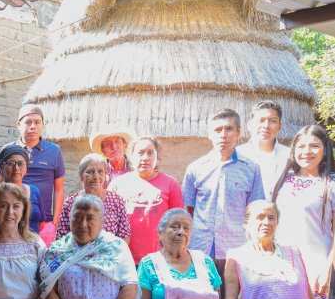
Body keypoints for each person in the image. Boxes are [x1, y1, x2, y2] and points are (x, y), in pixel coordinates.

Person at [182, 109, 264, 271]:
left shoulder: (251, 169)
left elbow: (255, 211)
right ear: (210, 134)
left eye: (229, 129)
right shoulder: (195, 168)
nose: (223, 135)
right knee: (202, 295)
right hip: (201, 248)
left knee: (232, 296)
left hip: (236, 248)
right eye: (217, 130)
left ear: (238, 132)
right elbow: (188, 209)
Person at [272, 125, 335, 299]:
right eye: (301, 146)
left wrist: (329, 270)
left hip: (316, 263)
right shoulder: (283, 180)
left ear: (325, 149)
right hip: (281, 260)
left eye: (315, 146)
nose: (307, 152)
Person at [108, 138, 182, 263]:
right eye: (140, 152)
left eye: (150, 153)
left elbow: (178, 223)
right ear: (130, 156)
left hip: (160, 259)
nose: (145, 157)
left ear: (157, 157)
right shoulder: (117, 185)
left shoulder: (171, 184)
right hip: (124, 260)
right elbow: (108, 224)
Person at [15, 104, 65, 243]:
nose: (33, 126)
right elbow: (2, 185)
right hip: (13, 221)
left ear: (43, 125)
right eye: (28, 122)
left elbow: (59, 189)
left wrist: (54, 224)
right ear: (19, 124)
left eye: (37, 122)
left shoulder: (54, 151)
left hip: (44, 223)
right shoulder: (10, 151)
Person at [56, 154, 130, 242]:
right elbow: (61, 236)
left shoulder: (116, 201)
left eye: (100, 171)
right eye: (90, 172)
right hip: (76, 254)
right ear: (81, 176)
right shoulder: (71, 202)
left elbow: (124, 235)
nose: (96, 176)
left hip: (109, 254)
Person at [0, 144, 44, 233]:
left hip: (32, 244)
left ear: (26, 168)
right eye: (10, 163)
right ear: (1, 167)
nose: (16, 168)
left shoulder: (34, 191)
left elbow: (41, 223)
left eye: (21, 164)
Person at [236, 101, 290, 199]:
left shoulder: (290, 156)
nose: (266, 126)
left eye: (272, 121)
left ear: (280, 126)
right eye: (261, 120)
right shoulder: (236, 154)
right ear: (250, 125)